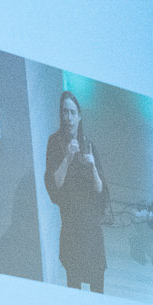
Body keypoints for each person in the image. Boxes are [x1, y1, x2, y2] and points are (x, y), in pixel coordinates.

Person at [45, 89, 108, 292]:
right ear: (61, 115)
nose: (69, 117)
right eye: (65, 112)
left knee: (98, 284)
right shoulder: (54, 143)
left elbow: (101, 191)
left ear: (80, 117)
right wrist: (68, 158)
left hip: (92, 229)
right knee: (73, 283)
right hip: (71, 228)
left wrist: (93, 168)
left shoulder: (88, 145)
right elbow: (55, 186)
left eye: (73, 112)